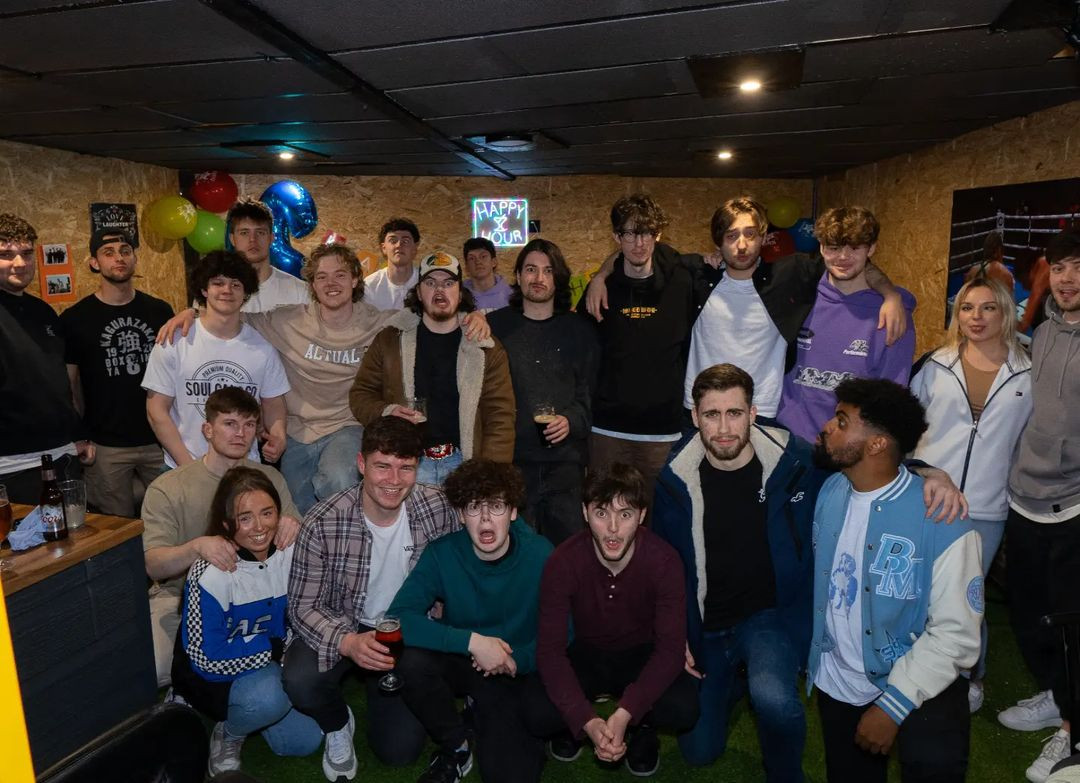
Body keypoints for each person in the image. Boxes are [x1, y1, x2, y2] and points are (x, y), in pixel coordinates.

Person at [651, 364, 824, 781]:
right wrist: (674, 633)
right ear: (695, 417)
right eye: (712, 414)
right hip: (706, 626)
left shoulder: (795, 461)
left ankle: (784, 774)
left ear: (753, 413)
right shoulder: (673, 479)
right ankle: (731, 681)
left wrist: (928, 472)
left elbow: (864, 465)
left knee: (774, 699)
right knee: (698, 752)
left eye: (734, 413)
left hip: (766, 618)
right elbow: (662, 566)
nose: (724, 428)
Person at [808, 377, 982, 783]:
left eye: (842, 421)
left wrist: (894, 705)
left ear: (876, 444)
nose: (827, 427)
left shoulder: (943, 519)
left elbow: (957, 634)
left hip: (919, 680)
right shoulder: (831, 490)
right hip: (838, 680)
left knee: (934, 766)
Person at [283, 415, 460, 782]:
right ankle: (336, 723)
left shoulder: (438, 508)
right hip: (344, 622)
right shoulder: (323, 520)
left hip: (404, 630)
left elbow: (462, 570)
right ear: (361, 464)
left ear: (417, 468)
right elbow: (301, 607)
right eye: (382, 466)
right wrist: (347, 642)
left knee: (398, 752)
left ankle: (390, 687)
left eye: (405, 468)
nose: (393, 480)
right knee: (300, 679)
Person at [389, 459, 553, 783]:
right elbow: (397, 619)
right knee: (411, 662)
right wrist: (472, 642)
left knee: (511, 775)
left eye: (497, 506)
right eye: (475, 507)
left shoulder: (541, 554)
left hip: (516, 669)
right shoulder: (443, 553)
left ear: (513, 512)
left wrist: (516, 661)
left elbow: (565, 629)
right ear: (461, 515)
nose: (486, 518)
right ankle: (456, 743)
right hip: (466, 659)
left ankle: (495, 717)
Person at [910, 275, 1032, 712]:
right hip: (928, 496)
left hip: (987, 505)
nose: (976, 317)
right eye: (966, 308)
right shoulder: (934, 365)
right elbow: (908, 427)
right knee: (921, 589)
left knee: (968, 596)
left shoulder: (1029, 372)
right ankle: (915, 669)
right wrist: (917, 472)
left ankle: (969, 676)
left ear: (1005, 313)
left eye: (987, 308)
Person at [529, 463, 698, 778]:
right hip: (587, 653)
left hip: (641, 652)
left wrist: (625, 714)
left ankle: (643, 726)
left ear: (642, 515)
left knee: (684, 706)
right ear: (584, 512)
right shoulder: (562, 561)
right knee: (536, 710)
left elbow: (671, 650)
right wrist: (586, 720)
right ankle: (573, 725)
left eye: (625, 514)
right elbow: (550, 652)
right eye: (601, 513)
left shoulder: (664, 561)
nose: (613, 529)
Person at [684, 197, 905, 424]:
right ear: (718, 242)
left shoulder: (789, 275)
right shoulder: (696, 276)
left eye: (750, 234)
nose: (741, 245)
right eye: (731, 236)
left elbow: (851, 262)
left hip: (763, 412)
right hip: (700, 410)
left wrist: (890, 294)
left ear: (763, 237)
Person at [142, 387, 300, 687]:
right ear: (208, 429)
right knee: (160, 668)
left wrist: (292, 526)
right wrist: (196, 547)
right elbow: (153, 565)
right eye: (230, 423)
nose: (240, 433)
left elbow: (299, 544)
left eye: (249, 424)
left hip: (258, 592)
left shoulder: (270, 478)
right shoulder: (169, 487)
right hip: (179, 595)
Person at [171, 466, 321, 775]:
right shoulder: (209, 571)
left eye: (267, 513)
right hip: (211, 675)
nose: (259, 527)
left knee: (304, 741)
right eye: (245, 518)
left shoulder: (292, 550)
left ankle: (257, 709)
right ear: (227, 524)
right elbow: (205, 659)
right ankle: (229, 733)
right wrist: (273, 652)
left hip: (269, 665)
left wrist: (299, 526)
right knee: (270, 697)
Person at [998, 229, 1080, 783]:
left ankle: (1074, 732)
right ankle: (1058, 697)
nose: (1068, 279)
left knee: (1073, 625)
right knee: (1029, 615)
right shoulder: (1045, 330)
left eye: (1078, 268)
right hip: (1024, 499)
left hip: (1072, 506)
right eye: (1060, 267)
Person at [349, 251, 515, 485]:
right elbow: (360, 395)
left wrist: (488, 475)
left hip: (465, 465)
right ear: (418, 292)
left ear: (460, 291)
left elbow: (500, 416)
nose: (439, 290)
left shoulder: (484, 347)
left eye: (448, 283)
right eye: (430, 283)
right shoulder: (390, 340)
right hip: (406, 464)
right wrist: (387, 412)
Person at [577, 194, 697, 503]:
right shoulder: (600, 289)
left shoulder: (682, 281)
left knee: (662, 518)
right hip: (607, 429)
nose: (639, 243)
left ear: (658, 234)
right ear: (616, 237)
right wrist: (600, 276)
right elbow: (580, 352)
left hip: (663, 432)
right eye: (629, 233)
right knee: (606, 512)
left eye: (646, 232)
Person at [488, 238, 600, 545]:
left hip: (565, 466)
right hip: (512, 462)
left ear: (558, 278)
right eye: (531, 269)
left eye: (548, 271)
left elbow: (590, 395)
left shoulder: (581, 332)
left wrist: (571, 420)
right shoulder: (494, 327)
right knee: (515, 552)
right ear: (518, 275)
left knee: (567, 553)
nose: (538, 278)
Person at [777, 206, 917, 442]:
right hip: (789, 441)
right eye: (834, 248)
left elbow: (891, 399)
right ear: (821, 247)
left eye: (854, 247)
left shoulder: (892, 315)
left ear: (871, 248)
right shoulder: (799, 295)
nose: (843, 257)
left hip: (850, 448)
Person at [60, 228, 173, 516]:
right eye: (108, 253)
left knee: (172, 518)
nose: (119, 258)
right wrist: (79, 434)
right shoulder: (75, 319)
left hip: (159, 439)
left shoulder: (160, 311)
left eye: (125, 251)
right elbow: (69, 384)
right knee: (116, 527)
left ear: (135, 258)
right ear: (94, 262)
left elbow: (177, 373)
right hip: (105, 444)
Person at [142, 249, 289, 468]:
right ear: (204, 289)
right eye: (218, 283)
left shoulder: (263, 349)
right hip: (182, 466)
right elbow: (156, 411)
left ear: (246, 293)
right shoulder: (175, 341)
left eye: (236, 284)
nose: (227, 290)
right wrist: (190, 468)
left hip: (243, 469)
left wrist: (278, 435)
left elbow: (274, 403)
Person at [0, 213, 93, 504]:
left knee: (75, 532)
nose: (20, 263)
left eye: (26, 253)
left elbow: (57, 381)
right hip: (11, 466)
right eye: (6, 255)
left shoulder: (43, 311)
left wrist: (77, 434)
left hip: (62, 455)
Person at [225, 198, 309, 313]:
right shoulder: (218, 294)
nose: (252, 239)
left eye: (260, 232)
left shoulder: (300, 291)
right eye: (244, 233)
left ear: (271, 238)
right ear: (232, 239)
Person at [364, 218, 421, 311]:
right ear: (383, 248)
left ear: (415, 248)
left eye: (405, 241)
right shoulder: (370, 286)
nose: (399, 245)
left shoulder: (426, 283)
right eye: (393, 241)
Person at [463, 236, 513, 311]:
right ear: (466, 266)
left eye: (483, 256)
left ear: (494, 262)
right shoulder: (459, 296)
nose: (478, 262)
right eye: (472, 258)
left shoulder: (512, 296)